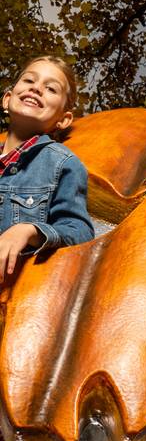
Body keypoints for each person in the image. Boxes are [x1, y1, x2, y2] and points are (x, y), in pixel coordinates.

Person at [0, 56, 94, 282]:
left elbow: (79, 230)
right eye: (29, 80)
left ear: (63, 119)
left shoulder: (63, 163)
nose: (36, 88)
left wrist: (29, 230)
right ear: (7, 99)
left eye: (51, 88)